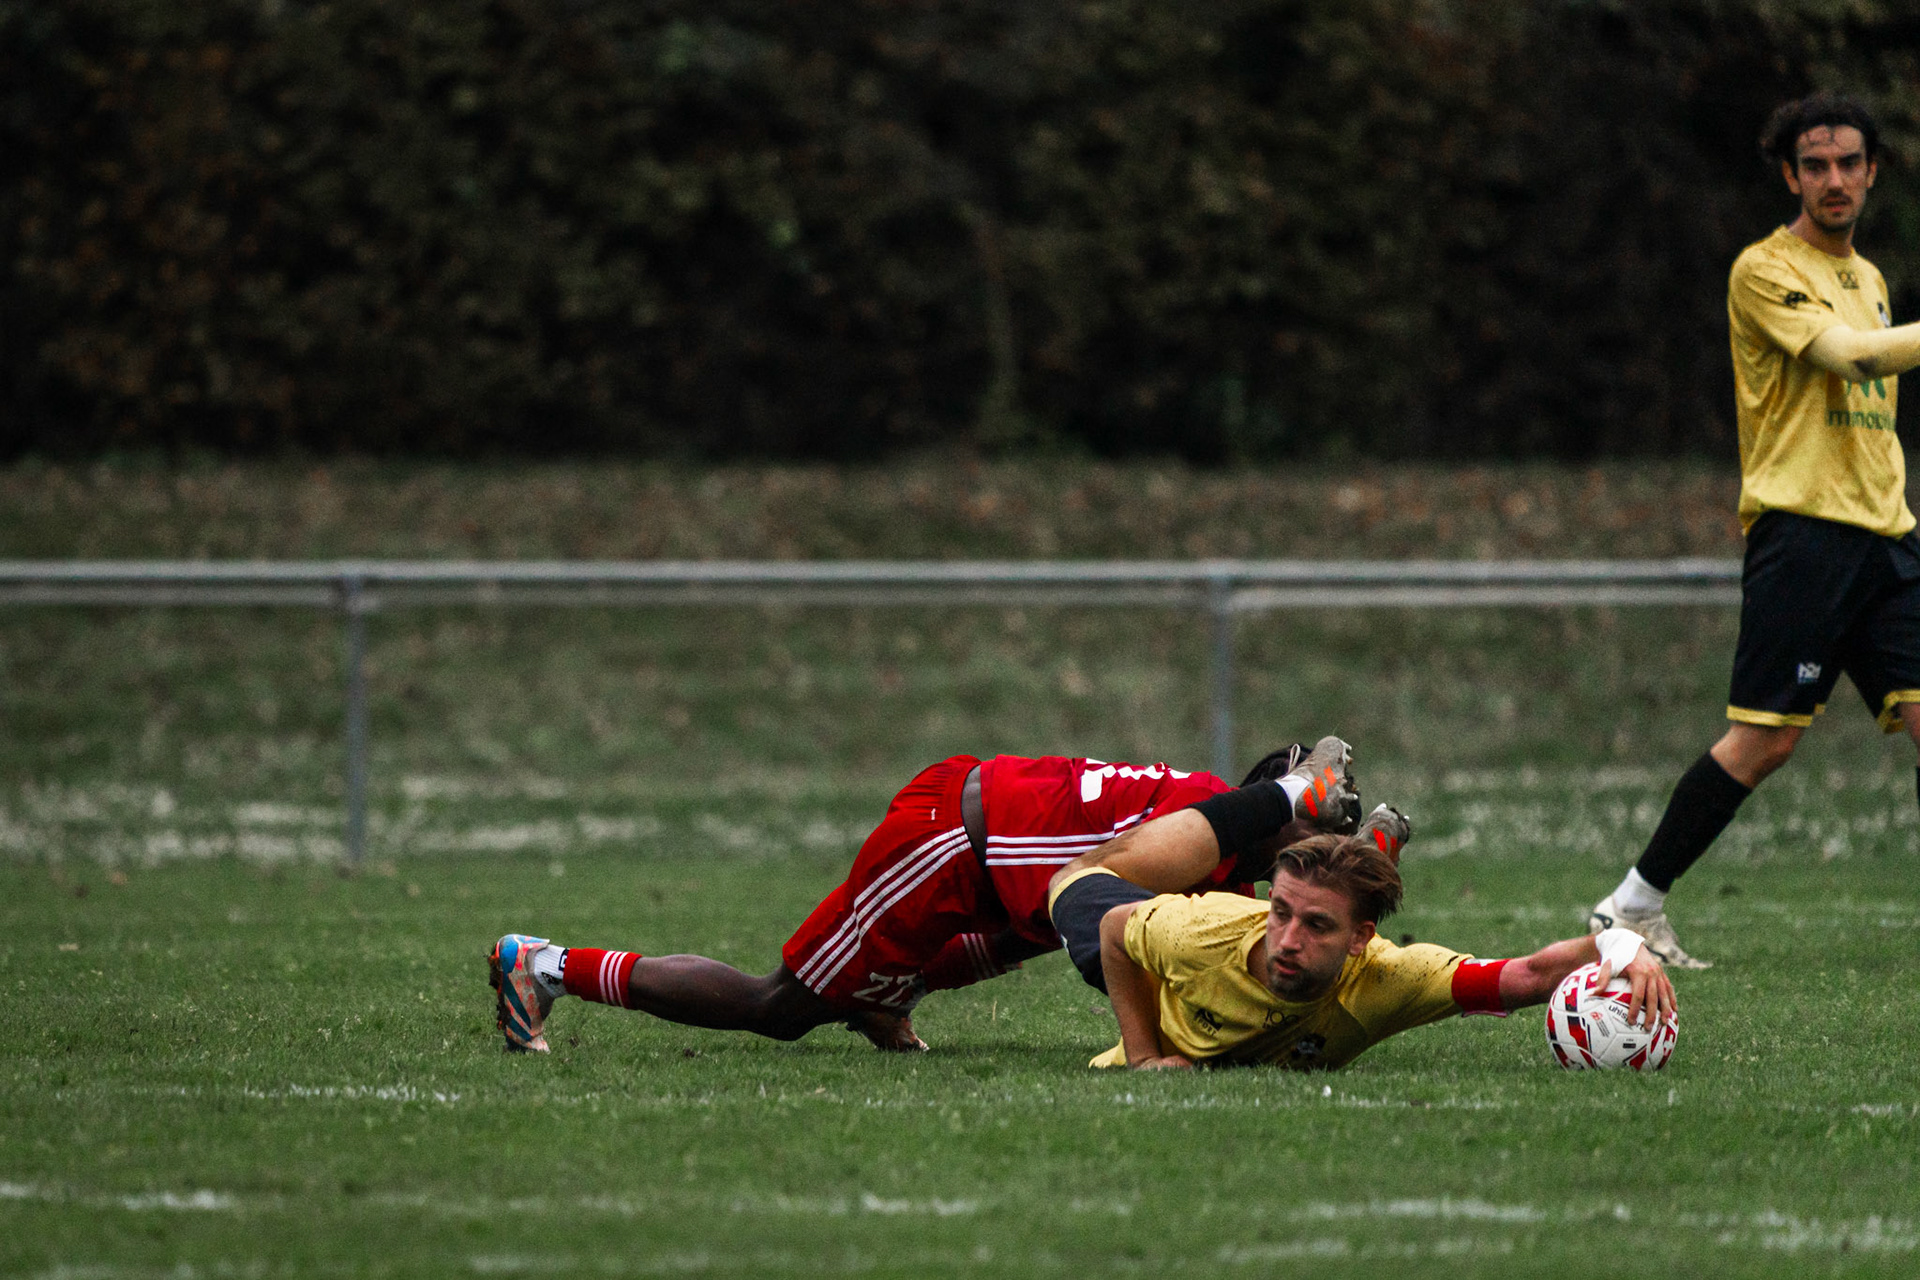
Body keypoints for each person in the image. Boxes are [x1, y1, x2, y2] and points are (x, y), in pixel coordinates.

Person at [1590, 91, 1920, 969]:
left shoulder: (1874, 279)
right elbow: (1848, 358)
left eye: (1850, 162)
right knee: (1766, 740)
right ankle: (1630, 906)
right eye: (1816, 165)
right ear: (1791, 175)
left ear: (1873, 170)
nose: (1835, 178)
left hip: (1887, 536)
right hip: (1805, 536)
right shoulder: (1763, 269)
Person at [487, 737, 1369, 1054]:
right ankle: (550, 965)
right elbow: (1108, 945)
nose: (1318, 856)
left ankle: (881, 994)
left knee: (1018, 938)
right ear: (1265, 812)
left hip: (998, 873)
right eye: (1308, 829)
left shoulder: (1231, 861)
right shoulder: (1212, 824)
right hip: (954, 839)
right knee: (784, 1007)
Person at [1049, 831, 1675, 1071]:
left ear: (1361, 938)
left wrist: (1620, 943)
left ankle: (1361, 846)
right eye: (1282, 913)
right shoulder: (1199, 932)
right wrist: (1142, 1057)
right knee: (1067, 885)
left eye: (1317, 925)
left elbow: (1532, 975)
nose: (1288, 941)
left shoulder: (1391, 978)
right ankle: (1283, 795)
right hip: (1135, 943)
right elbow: (1111, 932)